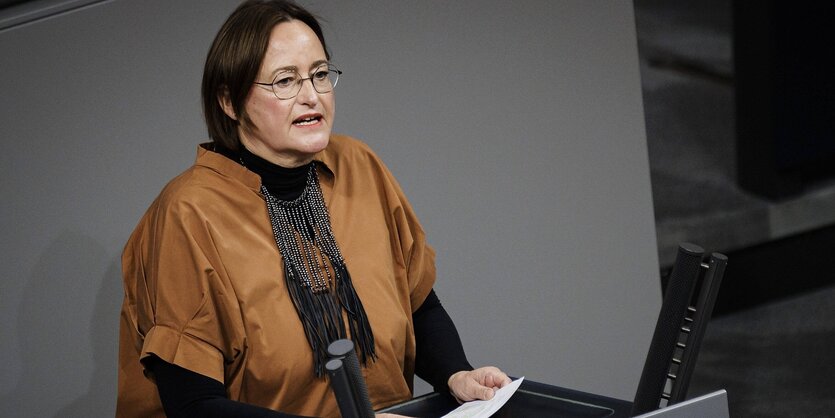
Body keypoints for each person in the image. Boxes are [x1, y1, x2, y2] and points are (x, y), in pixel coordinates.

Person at [116, 1, 510, 417]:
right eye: (285, 81)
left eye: (320, 74)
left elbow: (419, 304)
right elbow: (192, 405)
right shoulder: (187, 212)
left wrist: (457, 375)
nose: (311, 96)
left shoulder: (360, 165)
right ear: (229, 102)